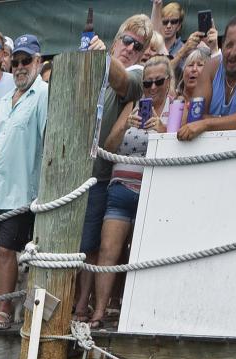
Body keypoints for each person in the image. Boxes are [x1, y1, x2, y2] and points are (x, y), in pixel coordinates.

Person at [74, 17, 153, 320]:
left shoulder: (137, 73)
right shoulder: (100, 70)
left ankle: (82, 306)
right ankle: (72, 303)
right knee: (74, 245)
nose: (130, 48)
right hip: (75, 167)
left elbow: (122, 81)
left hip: (101, 174)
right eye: (127, 40)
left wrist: (104, 55)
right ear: (118, 38)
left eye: (138, 45)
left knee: (91, 246)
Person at [89, 54, 175, 326]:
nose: (152, 88)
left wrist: (161, 131)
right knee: (107, 249)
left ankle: (137, 313)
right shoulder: (134, 107)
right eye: (147, 83)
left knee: (144, 253)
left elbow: (180, 151)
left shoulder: (177, 108)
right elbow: (110, 147)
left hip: (156, 192)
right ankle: (100, 311)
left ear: (169, 81)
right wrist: (126, 125)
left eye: (158, 82)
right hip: (122, 186)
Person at [0, 36, 46, 328]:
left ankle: (4, 308)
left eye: (26, 61)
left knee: (6, 251)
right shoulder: (2, 101)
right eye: (16, 62)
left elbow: (48, 141)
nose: (20, 67)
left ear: (38, 61)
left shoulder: (43, 94)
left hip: (21, 190)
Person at [180, 11, 236, 135]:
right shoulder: (211, 66)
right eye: (229, 45)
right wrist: (233, 121)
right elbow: (194, 118)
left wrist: (206, 123)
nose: (233, 52)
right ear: (222, 44)